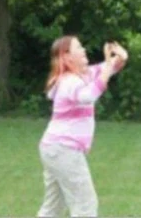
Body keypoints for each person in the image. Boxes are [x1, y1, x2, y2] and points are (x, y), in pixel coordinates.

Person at [38, 36, 128, 218]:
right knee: (85, 205)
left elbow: (106, 70)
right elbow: (88, 96)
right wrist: (111, 64)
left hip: (53, 149)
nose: (84, 50)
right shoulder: (69, 82)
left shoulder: (82, 76)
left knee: (53, 208)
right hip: (64, 150)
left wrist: (120, 58)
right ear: (67, 56)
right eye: (78, 48)